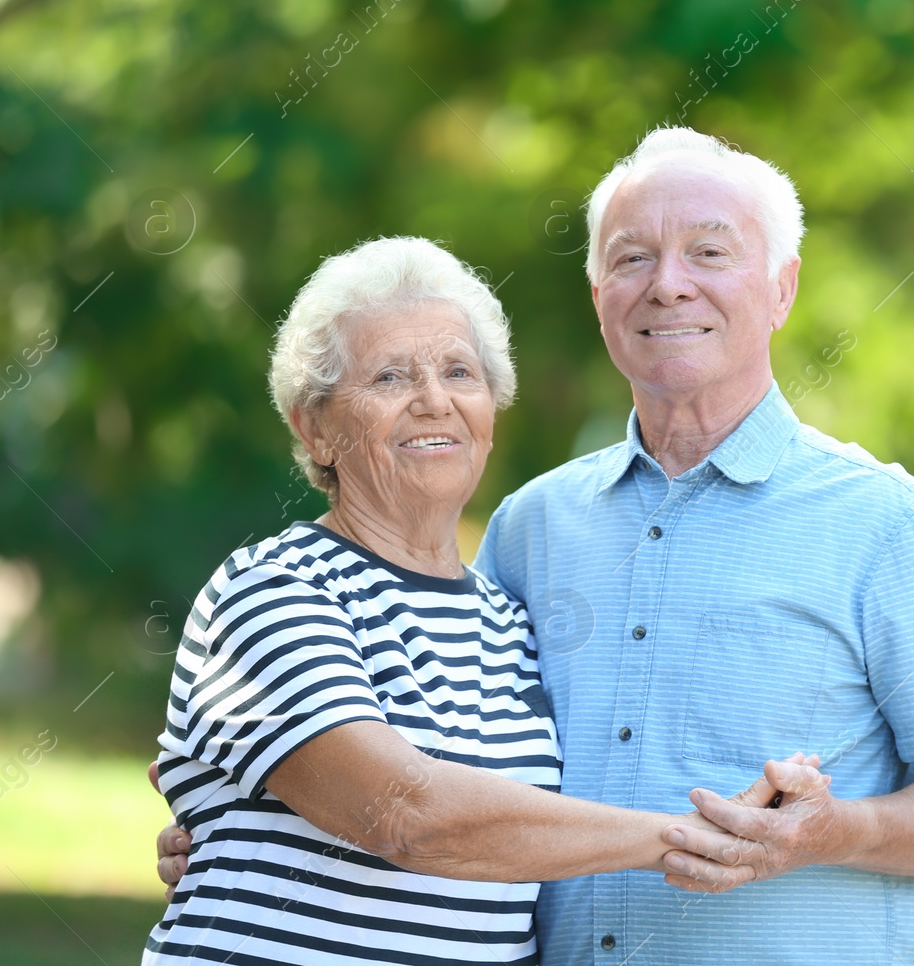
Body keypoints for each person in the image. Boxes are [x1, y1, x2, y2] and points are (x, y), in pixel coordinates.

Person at [159, 129, 914, 964]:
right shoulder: (531, 531)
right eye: (632, 257)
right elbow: (412, 794)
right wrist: (244, 822)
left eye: (710, 252)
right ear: (598, 295)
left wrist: (839, 831)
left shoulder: (885, 522)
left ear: (782, 289)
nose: (669, 285)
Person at [143, 236, 779, 966]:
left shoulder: (510, 621)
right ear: (314, 427)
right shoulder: (273, 589)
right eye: (389, 377)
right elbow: (406, 812)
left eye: (459, 372)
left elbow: (518, 843)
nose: (434, 401)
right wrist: (692, 838)